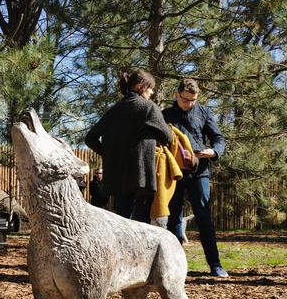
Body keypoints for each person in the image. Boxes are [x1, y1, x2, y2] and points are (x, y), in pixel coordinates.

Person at [85, 69, 172, 223]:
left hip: (119, 177)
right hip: (142, 176)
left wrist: (109, 154)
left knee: (123, 222)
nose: (152, 92)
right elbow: (168, 137)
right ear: (140, 86)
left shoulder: (112, 111)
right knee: (141, 224)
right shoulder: (148, 108)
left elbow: (90, 138)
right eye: (150, 88)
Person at [163, 78, 228, 278]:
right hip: (174, 172)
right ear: (177, 94)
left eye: (193, 100)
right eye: (185, 99)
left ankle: (215, 264)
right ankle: (175, 267)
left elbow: (219, 138)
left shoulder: (204, 112)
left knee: (204, 216)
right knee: (173, 217)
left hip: (200, 171)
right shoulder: (165, 115)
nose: (189, 103)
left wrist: (214, 151)